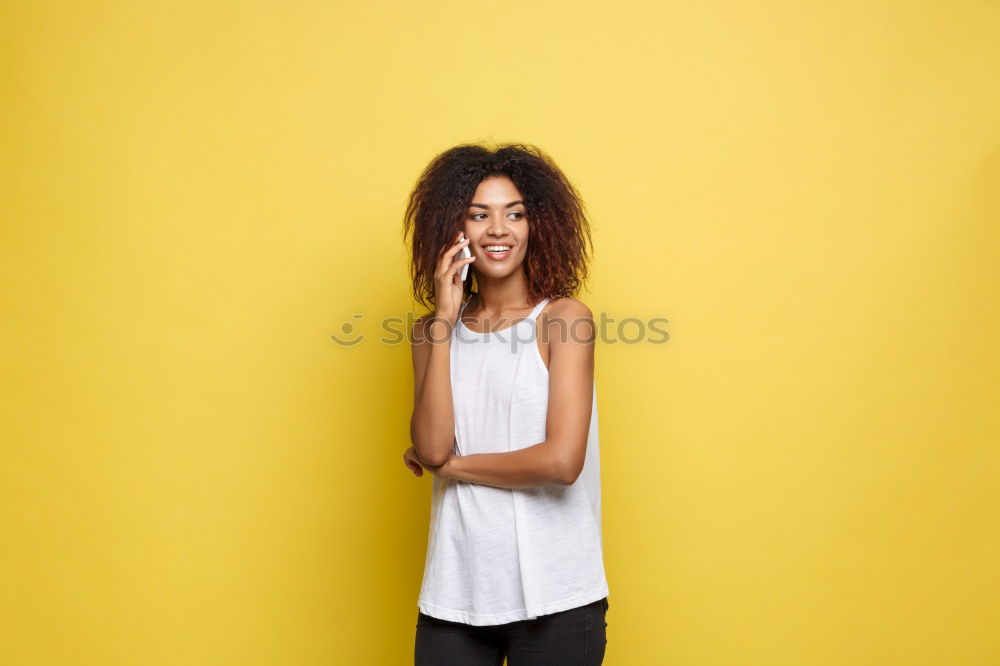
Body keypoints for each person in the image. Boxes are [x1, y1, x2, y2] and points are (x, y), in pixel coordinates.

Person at [402, 142, 609, 665]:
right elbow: (430, 445)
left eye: (514, 213)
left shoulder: (564, 319)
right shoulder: (430, 331)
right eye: (479, 215)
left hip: (557, 595)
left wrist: (453, 466)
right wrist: (446, 323)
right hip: (456, 592)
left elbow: (561, 464)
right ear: (453, 229)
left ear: (537, 225)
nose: (498, 229)